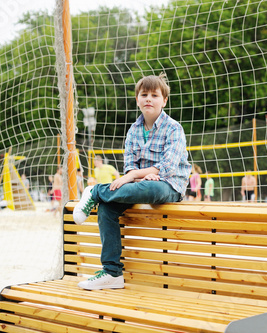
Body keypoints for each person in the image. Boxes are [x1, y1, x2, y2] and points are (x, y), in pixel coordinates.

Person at [73, 73, 191, 290]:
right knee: (107, 207)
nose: (149, 99)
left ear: (164, 100)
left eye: (154, 95)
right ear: (137, 99)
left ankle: (95, 192)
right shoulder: (134, 130)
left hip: (169, 184)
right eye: (144, 94)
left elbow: (167, 167)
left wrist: (135, 175)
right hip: (140, 184)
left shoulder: (174, 128)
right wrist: (135, 175)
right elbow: (129, 163)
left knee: (152, 187)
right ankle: (112, 273)